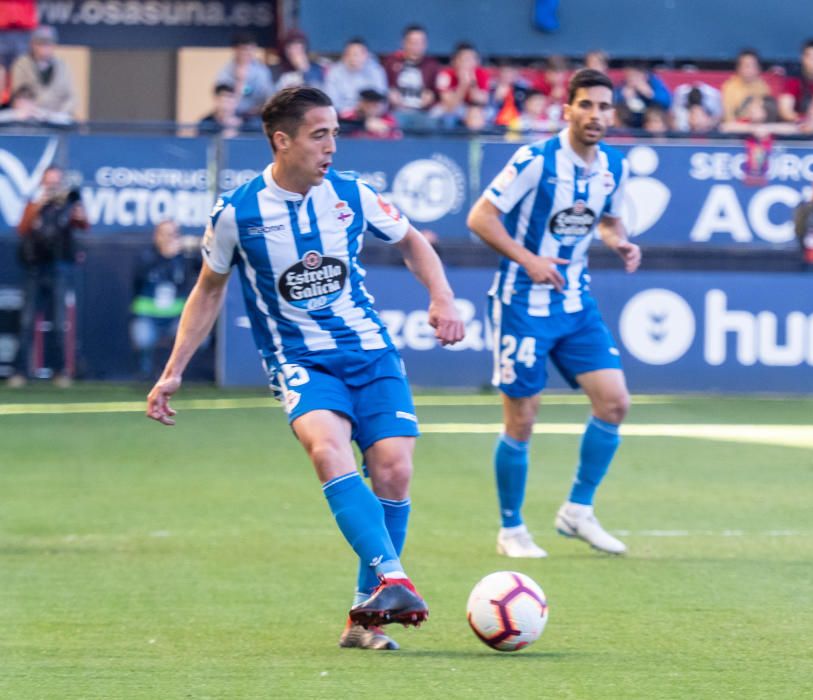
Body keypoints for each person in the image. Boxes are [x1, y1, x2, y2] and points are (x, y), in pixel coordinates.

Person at [145, 87, 465, 650]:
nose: (332, 147)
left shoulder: (352, 195)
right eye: (320, 135)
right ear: (282, 140)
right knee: (327, 449)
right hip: (299, 359)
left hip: (370, 351)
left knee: (393, 470)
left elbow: (413, 242)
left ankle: (363, 621)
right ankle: (393, 579)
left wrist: (441, 296)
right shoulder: (236, 213)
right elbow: (208, 290)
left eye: (336, 134)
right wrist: (174, 369)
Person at [466, 69, 642, 558]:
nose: (596, 115)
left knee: (615, 402)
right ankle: (511, 530)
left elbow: (607, 221)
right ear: (568, 110)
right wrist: (531, 260)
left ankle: (577, 511)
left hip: (575, 303)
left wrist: (619, 242)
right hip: (521, 302)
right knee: (522, 419)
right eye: (586, 105)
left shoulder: (613, 166)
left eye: (605, 107)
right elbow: (480, 216)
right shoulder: (535, 160)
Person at [8, 165, 88, 388]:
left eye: (56, 183)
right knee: (26, 322)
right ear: (42, 183)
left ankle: (60, 371)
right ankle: (20, 372)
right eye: (48, 183)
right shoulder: (33, 203)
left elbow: (84, 225)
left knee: (59, 322)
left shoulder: (67, 205)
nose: (52, 187)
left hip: (59, 270)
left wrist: (74, 207)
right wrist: (39, 204)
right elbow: (22, 229)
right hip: (34, 271)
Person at [130, 220, 200, 380]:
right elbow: (138, 278)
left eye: (174, 234)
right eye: (166, 234)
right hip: (148, 315)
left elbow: (207, 269)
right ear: (157, 236)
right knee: (143, 337)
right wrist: (164, 257)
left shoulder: (184, 257)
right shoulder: (146, 256)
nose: (171, 238)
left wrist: (196, 246)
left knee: (195, 337)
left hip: (176, 316)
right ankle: (145, 372)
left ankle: (177, 374)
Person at [9, 25, 76, 120]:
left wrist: (60, 113)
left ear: (54, 45)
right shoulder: (22, 64)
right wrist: (34, 111)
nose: (44, 47)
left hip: (57, 119)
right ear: (32, 44)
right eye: (40, 44)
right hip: (30, 118)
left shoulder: (62, 66)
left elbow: (71, 98)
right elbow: (18, 94)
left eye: (48, 44)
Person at [382, 24, 440, 131]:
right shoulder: (390, 62)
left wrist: (432, 97)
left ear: (425, 44)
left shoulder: (432, 65)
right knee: (387, 124)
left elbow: (439, 93)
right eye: (412, 43)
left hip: (423, 113)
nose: (416, 47)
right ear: (403, 43)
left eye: (420, 43)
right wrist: (389, 93)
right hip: (396, 111)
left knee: (433, 124)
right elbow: (380, 87)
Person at [215, 33, 274, 119]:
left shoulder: (261, 70)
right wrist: (240, 81)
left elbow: (268, 96)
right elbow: (222, 100)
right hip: (232, 116)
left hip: (256, 116)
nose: (247, 53)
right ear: (235, 50)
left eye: (251, 50)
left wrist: (258, 109)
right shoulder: (225, 72)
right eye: (244, 50)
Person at [323, 37, 388, 114]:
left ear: (366, 55)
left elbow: (383, 100)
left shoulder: (376, 71)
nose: (353, 58)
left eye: (357, 54)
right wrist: (355, 109)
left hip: (371, 113)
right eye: (349, 54)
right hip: (344, 115)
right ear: (344, 56)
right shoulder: (334, 72)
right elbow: (331, 103)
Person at [778, 38, 813, 123]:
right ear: (802, 58)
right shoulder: (793, 79)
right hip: (798, 126)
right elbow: (785, 111)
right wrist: (804, 120)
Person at [720, 49, 773, 123]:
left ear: (758, 69)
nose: (749, 70)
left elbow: (767, 114)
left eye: (753, 66)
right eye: (746, 66)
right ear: (738, 68)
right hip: (736, 128)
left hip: (756, 127)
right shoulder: (730, 87)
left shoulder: (763, 87)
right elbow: (728, 119)